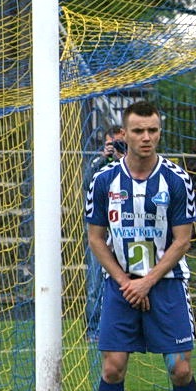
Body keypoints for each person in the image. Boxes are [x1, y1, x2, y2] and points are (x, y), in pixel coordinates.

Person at [85, 100, 196, 391]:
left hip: (166, 283)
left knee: (180, 369)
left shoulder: (176, 179)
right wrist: (126, 282)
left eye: (152, 130)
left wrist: (148, 281)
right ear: (125, 133)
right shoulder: (104, 180)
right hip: (120, 287)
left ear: (160, 131)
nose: (146, 137)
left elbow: (183, 239)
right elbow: (95, 238)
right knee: (112, 368)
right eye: (138, 130)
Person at [84, 125, 126, 343]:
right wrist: (104, 157)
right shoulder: (98, 163)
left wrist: (124, 156)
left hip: (125, 227)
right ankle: (93, 330)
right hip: (102, 229)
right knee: (95, 282)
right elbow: (86, 182)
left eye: (121, 142)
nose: (118, 147)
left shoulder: (131, 163)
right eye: (114, 143)